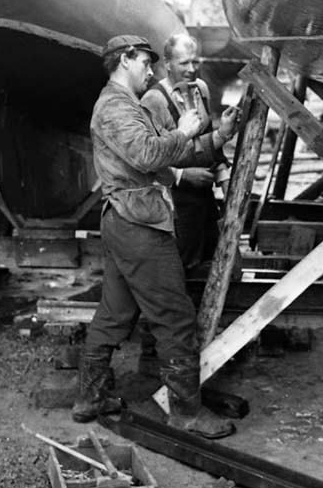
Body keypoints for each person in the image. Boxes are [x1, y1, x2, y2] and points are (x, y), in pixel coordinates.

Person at [71, 34, 239, 440]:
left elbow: (163, 157)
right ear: (125, 59)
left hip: (126, 221)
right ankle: (186, 414)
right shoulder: (115, 106)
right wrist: (182, 131)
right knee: (176, 317)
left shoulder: (126, 105)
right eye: (146, 62)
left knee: (115, 314)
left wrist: (216, 138)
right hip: (139, 225)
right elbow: (149, 154)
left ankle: (90, 398)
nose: (152, 70)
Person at [141, 33, 229, 276]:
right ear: (167, 64)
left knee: (212, 258)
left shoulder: (201, 89)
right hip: (174, 199)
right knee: (183, 264)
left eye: (194, 61)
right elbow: (147, 157)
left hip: (205, 194)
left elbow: (211, 141)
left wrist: (224, 180)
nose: (191, 69)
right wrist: (182, 175)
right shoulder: (154, 100)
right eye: (184, 63)